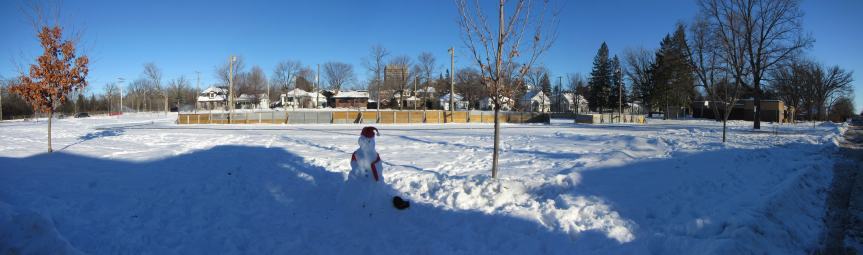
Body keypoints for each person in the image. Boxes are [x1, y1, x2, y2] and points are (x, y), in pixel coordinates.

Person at [344, 126, 409, 211]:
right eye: (363, 140)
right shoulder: (357, 154)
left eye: (368, 141)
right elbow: (354, 166)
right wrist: (358, 172)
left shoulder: (374, 156)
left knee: (375, 193)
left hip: (373, 185)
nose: (365, 143)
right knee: (357, 194)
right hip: (358, 184)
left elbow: (378, 169)